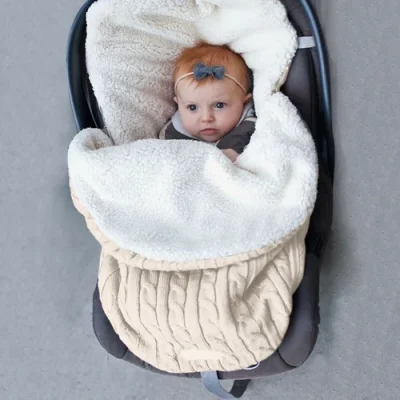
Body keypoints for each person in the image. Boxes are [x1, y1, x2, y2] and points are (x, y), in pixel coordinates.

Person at [159, 42, 256, 162]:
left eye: (219, 105)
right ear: (178, 105)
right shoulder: (172, 135)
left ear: (244, 102)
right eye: (192, 107)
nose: (206, 118)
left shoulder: (252, 129)